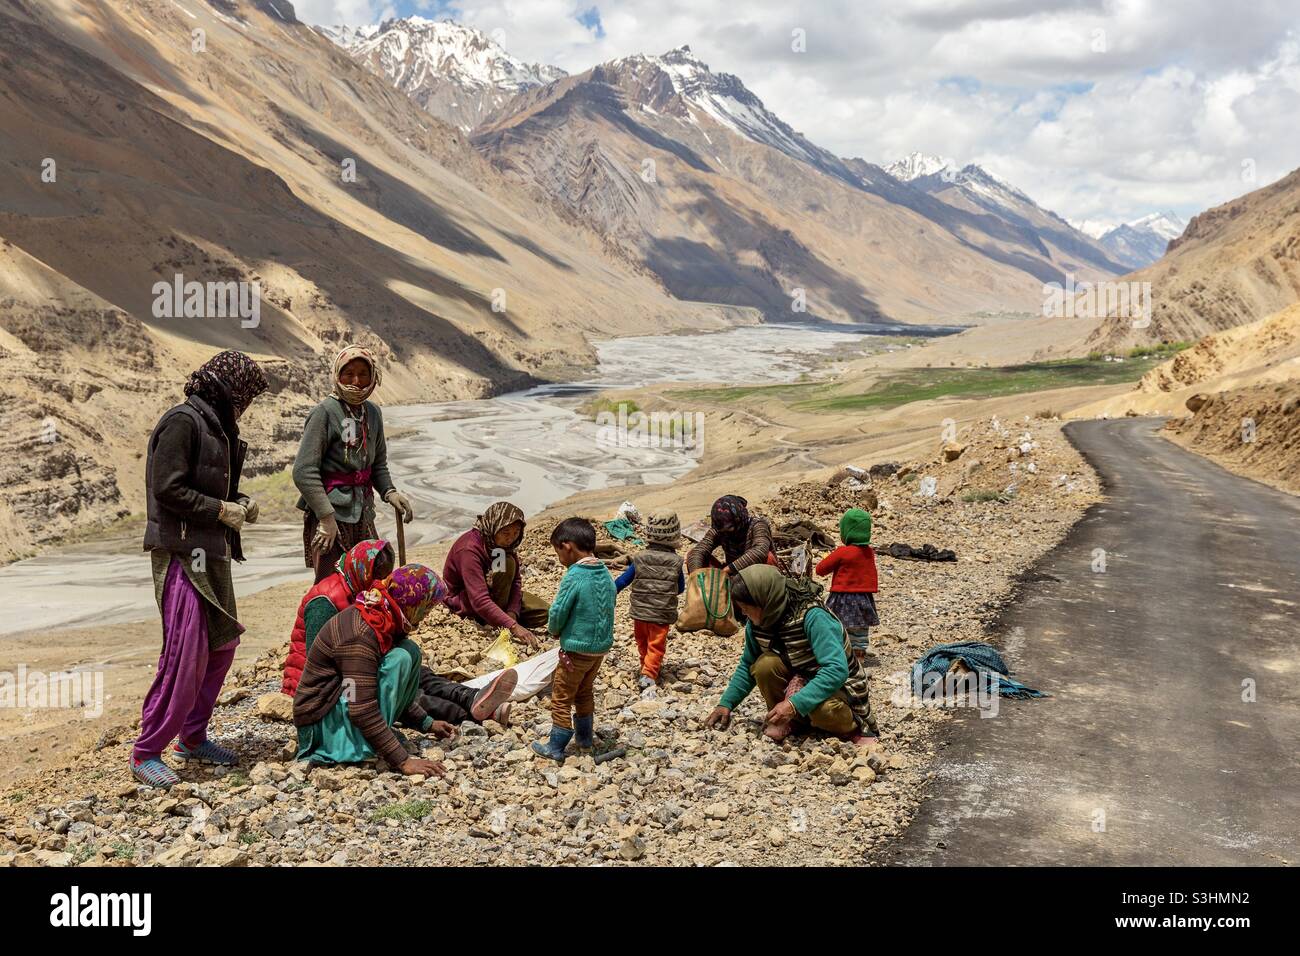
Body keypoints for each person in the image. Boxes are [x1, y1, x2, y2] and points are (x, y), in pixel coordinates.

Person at [133, 350, 269, 788]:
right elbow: (167, 488)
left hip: (211, 551)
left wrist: (239, 502)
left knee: (220, 646)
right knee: (186, 651)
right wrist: (219, 510)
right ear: (227, 390)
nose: (245, 406)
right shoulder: (183, 422)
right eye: (244, 396)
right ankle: (146, 751)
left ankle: (192, 737)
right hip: (180, 550)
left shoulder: (217, 428)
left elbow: (211, 487)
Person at [294, 565, 504, 775]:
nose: (425, 617)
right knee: (400, 659)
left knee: (409, 651)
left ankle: (370, 737)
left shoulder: (380, 616)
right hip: (320, 727)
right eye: (426, 609)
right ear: (412, 604)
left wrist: (427, 723)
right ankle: (356, 745)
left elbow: (389, 691)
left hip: (339, 707)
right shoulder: (360, 636)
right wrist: (402, 761)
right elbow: (361, 707)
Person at [704, 565, 879, 744]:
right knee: (764, 665)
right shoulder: (758, 623)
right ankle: (790, 720)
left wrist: (794, 704)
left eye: (746, 607)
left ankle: (851, 729)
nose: (743, 612)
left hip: (839, 687)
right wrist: (726, 704)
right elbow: (747, 664)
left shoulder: (814, 617)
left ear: (765, 600)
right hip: (799, 677)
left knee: (824, 712)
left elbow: (836, 670)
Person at [293, 345, 415, 583]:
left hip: (363, 514)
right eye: (348, 374)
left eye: (363, 374)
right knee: (332, 588)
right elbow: (303, 471)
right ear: (337, 375)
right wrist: (326, 518)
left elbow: (378, 464)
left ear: (373, 376)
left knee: (370, 581)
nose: (356, 381)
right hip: (330, 516)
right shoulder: (324, 413)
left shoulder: (373, 413)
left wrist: (389, 492)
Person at [532, 518, 615, 761]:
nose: (559, 557)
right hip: (599, 650)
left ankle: (556, 746)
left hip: (576, 650)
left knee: (561, 696)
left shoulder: (575, 575)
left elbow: (558, 611)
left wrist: (554, 630)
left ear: (567, 547)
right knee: (585, 692)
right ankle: (585, 741)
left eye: (557, 551)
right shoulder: (604, 572)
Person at [282, 539, 396, 697]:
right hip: (313, 692)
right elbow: (317, 662)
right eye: (375, 578)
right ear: (363, 572)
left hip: (339, 674)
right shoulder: (325, 601)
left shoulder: (355, 589)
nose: (377, 585)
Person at [442, 501, 548, 649]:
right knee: (507, 562)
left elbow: (516, 582)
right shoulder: (469, 550)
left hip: (494, 593)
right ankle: (492, 618)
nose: (510, 538)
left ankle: (497, 617)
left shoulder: (502, 546)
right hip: (467, 600)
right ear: (493, 527)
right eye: (505, 533)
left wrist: (512, 613)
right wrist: (514, 627)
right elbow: (479, 600)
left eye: (516, 533)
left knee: (543, 612)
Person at [614, 511, 685, 688]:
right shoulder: (676, 561)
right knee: (656, 645)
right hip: (661, 614)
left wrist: (609, 593)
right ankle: (649, 673)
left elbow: (622, 581)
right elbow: (681, 587)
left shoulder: (639, 558)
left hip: (639, 611)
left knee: (642, 641)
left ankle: (645, 666)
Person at [815, 508, 880, 665]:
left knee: (836, 626)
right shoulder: (869, 552)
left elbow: (821, 569)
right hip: (864, 598)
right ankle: (859, 658)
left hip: (842, 598)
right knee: (860, 630)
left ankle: (838, 655)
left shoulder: (842, 552)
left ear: (846, 531)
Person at [685, 494, 775, 577]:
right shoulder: (719, 531)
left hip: (757, 576)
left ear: (738, 520)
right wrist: (696, 575)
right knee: (693, 556)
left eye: (730, 528)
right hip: (733, 575)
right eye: (722, 530)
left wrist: (727, 570)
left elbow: (759, 551)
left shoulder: (757, 526)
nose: (726, 533)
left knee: (768, 557)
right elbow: (699, 550)